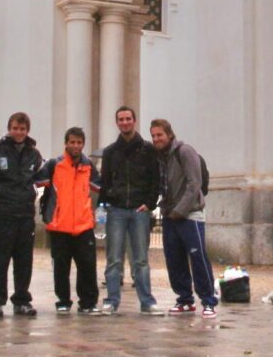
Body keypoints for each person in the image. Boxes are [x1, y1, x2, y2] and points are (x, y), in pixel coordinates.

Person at [149, 119, 218, 318]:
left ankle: (208, 300)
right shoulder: (160, 157)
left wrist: (180, 210)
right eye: (153, 136)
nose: (156, 139)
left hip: (190, 215)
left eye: (159, 135)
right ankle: (185, 299)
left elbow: (194, 184)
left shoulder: (185, 152)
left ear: (169, 134)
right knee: (174, 260)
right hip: (171, 214)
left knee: (198, 258)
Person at [99, 106, 162, 315]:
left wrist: (150, 203)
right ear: (117, 123)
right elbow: (105, 181)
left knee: (141, 259)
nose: (125, 122)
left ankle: (147, 301)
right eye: (121, 119)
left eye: (128, 119)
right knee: (114, 259)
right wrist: (105, 203)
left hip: (139, 210)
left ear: (134, 121)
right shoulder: (109, 152)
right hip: (116, 209)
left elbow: (155, 179)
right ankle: (111, 300)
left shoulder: (148, 149)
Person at [36, 126, 101, 315]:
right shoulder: (54, 164)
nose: (75, 146)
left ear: (83, 144)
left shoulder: (88, 165)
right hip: (59, 224)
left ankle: (88, 302)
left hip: (83, 224)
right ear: (66, 143)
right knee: (61, 267)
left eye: (79, 142)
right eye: (72, 142)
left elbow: (99, 187)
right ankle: (63, 301)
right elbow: (38, 181)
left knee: (87, 266)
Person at [0, 112, 44, 318]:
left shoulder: (34, 154)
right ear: (9, 128)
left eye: (22, 129)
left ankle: (21, 300)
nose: (18, 132)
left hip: (25, 214)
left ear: (27, 130)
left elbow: (40, 178)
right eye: (15, 128)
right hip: (2, 212)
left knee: (24, 261)